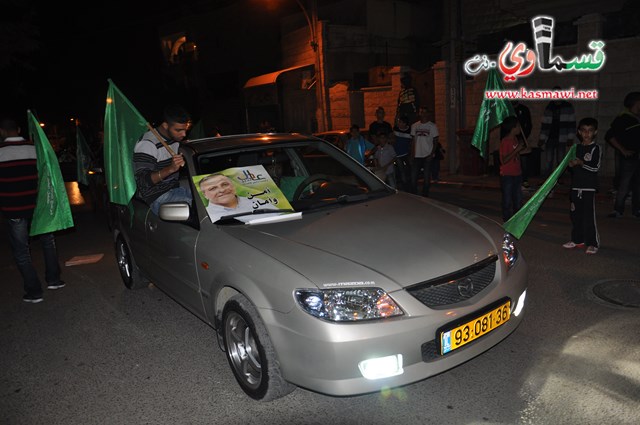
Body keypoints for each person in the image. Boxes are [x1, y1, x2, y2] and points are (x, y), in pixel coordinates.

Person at [0, 117, 65, 303]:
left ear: (1, 131)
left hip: (13, 209)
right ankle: (54, 279)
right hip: (38, 206)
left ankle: (35, 291)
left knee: (22, 251)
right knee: (48, 242)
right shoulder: (34, 148)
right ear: (18, 129)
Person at [133, 104, 193, 215]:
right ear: (165, 125)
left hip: (175, 187)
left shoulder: (174, 138)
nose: (183, 134)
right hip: (156, 196)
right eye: (179, 130)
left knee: (210, 196)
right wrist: (170, 169)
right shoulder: (147, 144)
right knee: (202, 208)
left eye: (185, 130)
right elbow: (142, 182)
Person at [563, 117, 602, 254]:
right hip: (575, 187)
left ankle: (593, 243)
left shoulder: (595, 148)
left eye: (590, 131)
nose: (586, 134)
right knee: (575, 215)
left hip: (588, 188)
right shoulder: (576, 148)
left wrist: (581, 163)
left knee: (588, 217)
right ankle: (577, 239)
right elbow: (573, 168)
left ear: (595, 132)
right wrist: (571, 164)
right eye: (584, 131)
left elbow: (595, 168)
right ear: (579, 132)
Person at [605, 91, 640, 218]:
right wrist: (623, 150)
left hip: (638, 156)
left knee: (638, 186)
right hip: (629, 158)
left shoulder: (637, 118)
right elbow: (609, 135)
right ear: (636, 103)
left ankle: (637, 210)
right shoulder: (623, 118)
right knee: (624, 184)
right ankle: (618, 210)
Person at [538, 88, 576, 178]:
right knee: (548, 160)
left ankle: (559, 179)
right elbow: (544, 124)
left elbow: (572, 123)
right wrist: (542, 138)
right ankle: (548, 179)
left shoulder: (568, 106)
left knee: (560, 160)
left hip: (562, 138)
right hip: (550, 137)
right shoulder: (549, 107)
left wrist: (570, 137)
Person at [499, 116, 525, 222]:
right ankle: (507, 221)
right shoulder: (505, 141)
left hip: (517, 174)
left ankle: (516, 221)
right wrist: (517, 150)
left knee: (518, 200)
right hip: (507, 175)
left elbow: (515, 155)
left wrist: (523, 150)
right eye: (518, 126)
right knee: (507, 200)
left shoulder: (515, 140)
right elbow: (504, 160)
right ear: (512, 128)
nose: (520, 128)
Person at [410, 106, 439, 197]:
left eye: (425, 112)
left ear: (428, 114)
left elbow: (435, 141)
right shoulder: (414, 126)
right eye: (422, 112)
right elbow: (413, 142)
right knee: (413, 177)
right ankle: (414, 194)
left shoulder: (432, 126)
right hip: (417, 155)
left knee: (426, 177)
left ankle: (425, 194)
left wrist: (431, 154)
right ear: (419, 113)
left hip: (427, 155)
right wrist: (412, 154)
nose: (423, 114)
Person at [512, 100, 533, 187]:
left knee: (523, 159)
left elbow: (528, 125)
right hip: (511, 139)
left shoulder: (524, 109)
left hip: (522, 138)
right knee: (512, 159)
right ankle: (514, 179)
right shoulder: (507, 110)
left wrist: (523, 138)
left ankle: (524, 179)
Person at [392, 115, 412, 190]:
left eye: (400, 122)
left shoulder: (410, 130)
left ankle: (410, 185)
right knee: (401, 170)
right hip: (397, 154)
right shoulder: (395, 129)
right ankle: (405, 187)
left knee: (409, 169)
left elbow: (411, 142)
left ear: (404, 123)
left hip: (406, 153)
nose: (398, 123)